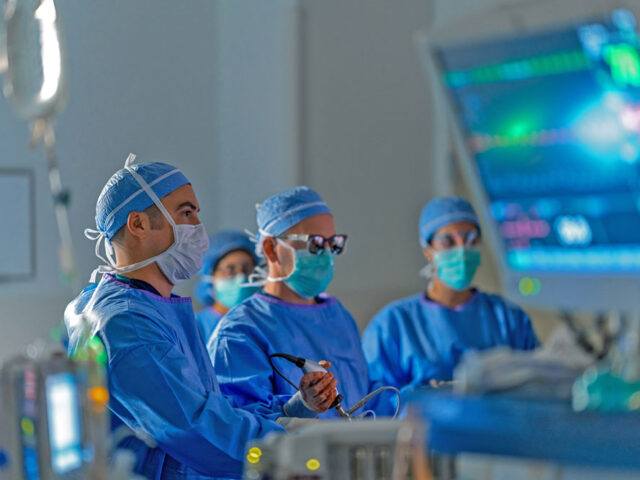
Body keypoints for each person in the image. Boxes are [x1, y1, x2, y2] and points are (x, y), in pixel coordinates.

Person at [64, 157, 336, 480]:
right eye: (186, 213)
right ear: (138, 224)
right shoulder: (127, 323)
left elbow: (214, 411)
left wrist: (292, 411)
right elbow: (198, 431)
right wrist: (293, 450)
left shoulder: (153, 308)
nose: (197, 228)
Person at [209, 186, 389, 419]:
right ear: (271, 249)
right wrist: (299, 408)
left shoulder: (336, 314)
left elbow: (363, 393)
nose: (325, 254)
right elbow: (238, 424)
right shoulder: (240, 331)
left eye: (331, 243)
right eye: (314, 244)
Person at [362, 196, 539, 398]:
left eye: (470, 239)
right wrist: (424, 397)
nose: (461, 249)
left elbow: (537, 386)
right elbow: (373, 401)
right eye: (448, 241)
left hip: (497, 429)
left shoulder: (508, 319)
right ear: (428, 250)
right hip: (422, 429)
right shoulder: (393, 324)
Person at [194, 230, 259, 342]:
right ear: (210, 277)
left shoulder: (262, 324)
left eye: (247, 269)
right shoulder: (194, 328)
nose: (241, 277)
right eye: (230, 270)